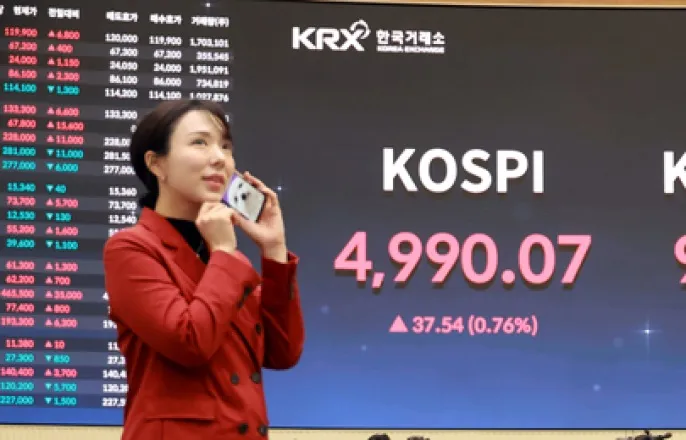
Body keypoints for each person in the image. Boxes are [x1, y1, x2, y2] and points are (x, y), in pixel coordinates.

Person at [102, 99, 305, 440]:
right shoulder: (131, 248)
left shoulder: (228, 259)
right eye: (200, 142)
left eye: (226, 147)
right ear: (156, 164)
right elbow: (189, 343)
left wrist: (274, 250)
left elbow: (282, 352)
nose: (219, 158)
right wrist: (224, 251)